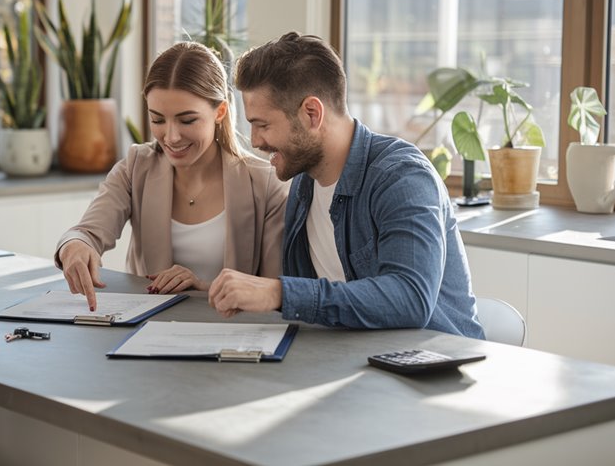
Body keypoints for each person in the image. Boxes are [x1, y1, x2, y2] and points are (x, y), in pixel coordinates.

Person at [207, 32, 484, 338]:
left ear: (312, 113)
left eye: (263, 125)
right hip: (358, 361)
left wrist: (280, 293)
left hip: (435, 366)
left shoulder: (402, 177)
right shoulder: (304, 185)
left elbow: (410, 298)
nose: (256, 141)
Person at [56, 41, 288, 311]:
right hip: (147, 336)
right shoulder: (136, 167)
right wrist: (74, 246)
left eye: (187, 120)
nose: (171, 136)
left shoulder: (265, 183)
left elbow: (274, 294)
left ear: (219, 112)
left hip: (232, 338)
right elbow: (88, 233)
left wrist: (202, 287)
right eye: (157, 120)